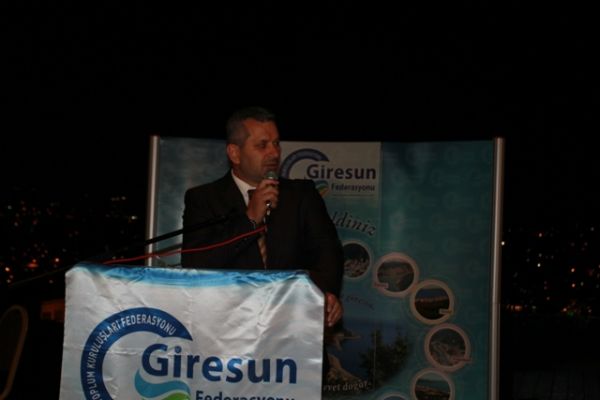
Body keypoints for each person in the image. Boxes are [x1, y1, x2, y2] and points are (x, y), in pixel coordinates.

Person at [181, 106, 344, 379]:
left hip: (293, 345)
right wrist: (250, 220)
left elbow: (328, 255)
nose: (273, 153)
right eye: (262, 145)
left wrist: (324, 294)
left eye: (276, 144)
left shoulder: (302, 196)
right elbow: (196, 263)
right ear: (234, 153)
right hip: (226, 349)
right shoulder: (204, 200)